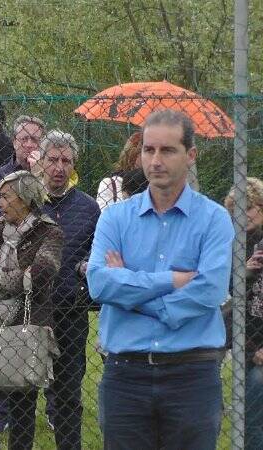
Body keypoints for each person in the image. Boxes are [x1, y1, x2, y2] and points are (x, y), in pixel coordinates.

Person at [86, 110, 233, 450]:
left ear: (190, 155)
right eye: (148, 150)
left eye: (167, 150)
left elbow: (210, 290)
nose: (155, 160)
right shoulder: (115, 218)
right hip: (125, 375)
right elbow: (98, 283)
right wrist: (171, 280)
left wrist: (130, 287)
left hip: (191, 375)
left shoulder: (214, 220)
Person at [0, 170, 63, 450]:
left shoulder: (49, 233)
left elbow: (40, 277)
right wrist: (14, 278)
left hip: (27, 324)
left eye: (5, 197)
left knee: (23, 405)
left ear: (24, 199)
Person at [36, 130, 100, 450]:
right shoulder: (28, 203)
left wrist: (84, 266)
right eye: (53, 160)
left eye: (66, 161)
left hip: (71, 311)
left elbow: (98, 251)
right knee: (22, 390)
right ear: (42, 162)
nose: (59, 167)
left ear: (73, 165)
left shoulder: (89, 208)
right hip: (31, 312)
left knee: (69, 392)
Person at [224, 178, 263, 448]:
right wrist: (245, 271)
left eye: (247, 207)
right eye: (235, 209)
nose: (242, 215)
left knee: (252, 418)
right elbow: (225, 289)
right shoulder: (234, 244)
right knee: (243, 412)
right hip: (243, 341)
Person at [0, 116, 46, 222]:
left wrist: (38, 175)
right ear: (14, 142)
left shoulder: (51, 174)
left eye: (35, 140)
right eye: (24, 139)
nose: (29, 145)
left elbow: (52, 212)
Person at [95, 131, 142, 211]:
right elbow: (104, 216)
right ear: (132, 155)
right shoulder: (111, 184)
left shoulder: (155, 183)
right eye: (147, 151)